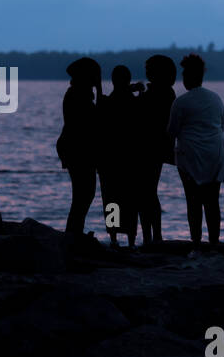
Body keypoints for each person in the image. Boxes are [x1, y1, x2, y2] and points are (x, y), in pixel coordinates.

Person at [167, 54, 224, 244]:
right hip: (214, 155)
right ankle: (214, 244)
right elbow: (221, 126)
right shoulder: (216, 99)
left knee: (193, 202)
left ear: (187, 78)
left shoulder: (181, 102)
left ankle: (196, 243)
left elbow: (171, 132)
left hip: (190, 157)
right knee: (212, 203)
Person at [98, 65, 143, 248]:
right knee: (130, 200)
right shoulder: (133, 101)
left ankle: (114, 238)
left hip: (110, 160)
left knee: (111, 199)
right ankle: (131, 240)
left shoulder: (108, 101)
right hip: (130, 160)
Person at [56, 57, 101, 239]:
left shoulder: (76, 93)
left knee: (83, 195)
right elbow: (97, 117)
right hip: (77, 150)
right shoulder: (78, 95)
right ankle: (73, 235)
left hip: (74, 148)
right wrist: (99, 89)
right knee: (84, 194)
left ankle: (74, 233)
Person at [137, 55, 177, 245]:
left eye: (149, 68)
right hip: (154, 148)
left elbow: (145, 115)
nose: (146, 72)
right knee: (147, 192)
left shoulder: (161, 93)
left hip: (150, 148)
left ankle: (152, 237)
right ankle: (152, 236)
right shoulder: (166, 92)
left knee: (147, 192)